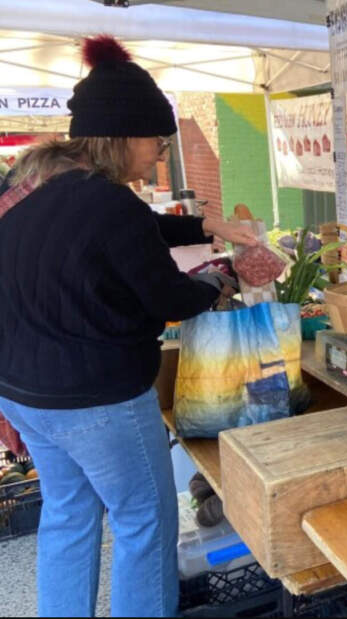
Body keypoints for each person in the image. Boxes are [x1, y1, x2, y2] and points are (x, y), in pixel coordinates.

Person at [0, 36, 258, 617]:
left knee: (68, 514)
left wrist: (207, 225)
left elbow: (140, 229)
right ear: (122, 136)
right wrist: (222, 279)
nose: (159, 155)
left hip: (23, 393)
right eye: (155, 141)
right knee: (143, 521)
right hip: (98, 401)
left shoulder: (34, 184)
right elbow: (168, 297)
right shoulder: (110, 206)